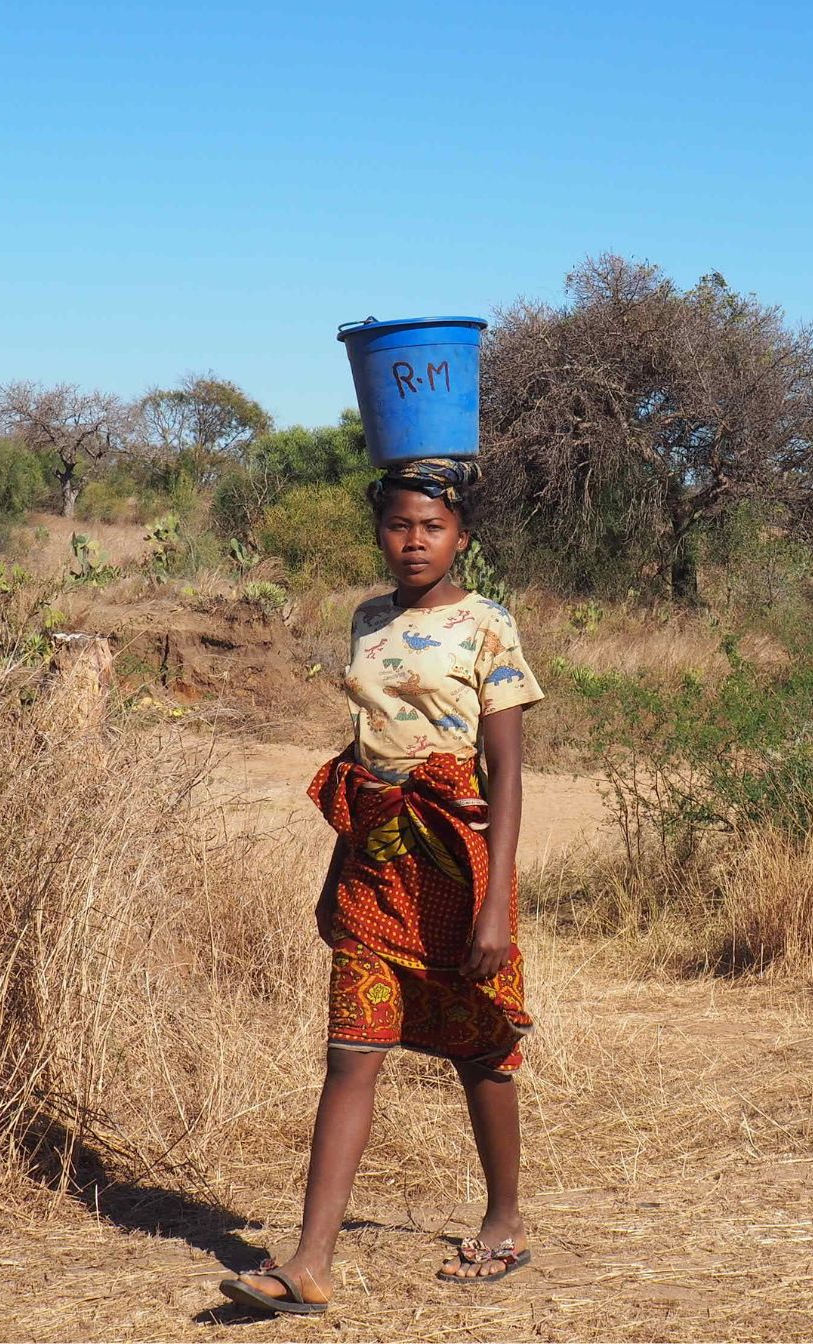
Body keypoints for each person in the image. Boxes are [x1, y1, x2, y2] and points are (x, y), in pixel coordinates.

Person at [219, 458, 544, 1317]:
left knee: (480, 1052)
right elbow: (368, 745)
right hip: (377, 860)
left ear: (462, 537)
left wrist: (496, 903)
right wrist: (350, 840)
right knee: (350, 1055)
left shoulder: (488, 626)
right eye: (399, 525)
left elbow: (506, 772)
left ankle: (505, 1221)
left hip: (454, 862)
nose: (413, 542)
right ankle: (307, 1263)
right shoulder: (366, 620)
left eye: (432, 527)